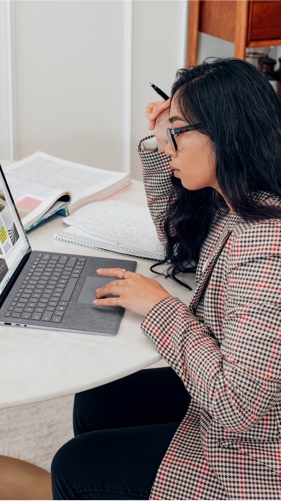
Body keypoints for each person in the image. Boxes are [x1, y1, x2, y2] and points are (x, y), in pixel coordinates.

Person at [51, 58, 281, 500]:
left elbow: (237, 408)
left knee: (75, 466)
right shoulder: (241, 195)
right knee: (97, 398)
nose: (167, 145)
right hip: (238, 400)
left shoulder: (267, 247)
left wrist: (160, 308)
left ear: (226, 132)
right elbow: (177, 237)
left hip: (253, 455)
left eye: (176, 132)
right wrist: (162, 142)